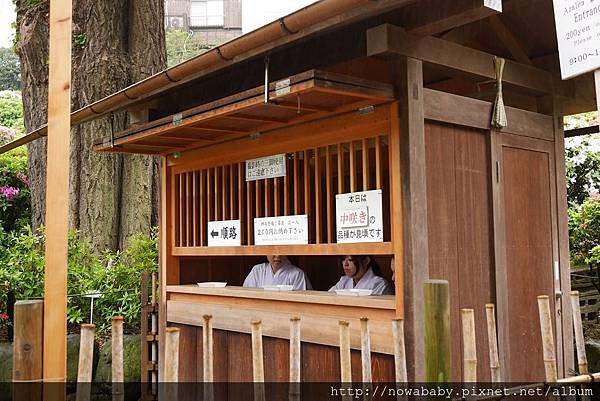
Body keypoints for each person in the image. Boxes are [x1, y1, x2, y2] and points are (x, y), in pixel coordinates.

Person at [243, 255, 312, 290]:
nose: (277, 255)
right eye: (272, 250)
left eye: (281, 250)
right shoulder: (258, 270)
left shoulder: (297, 274)